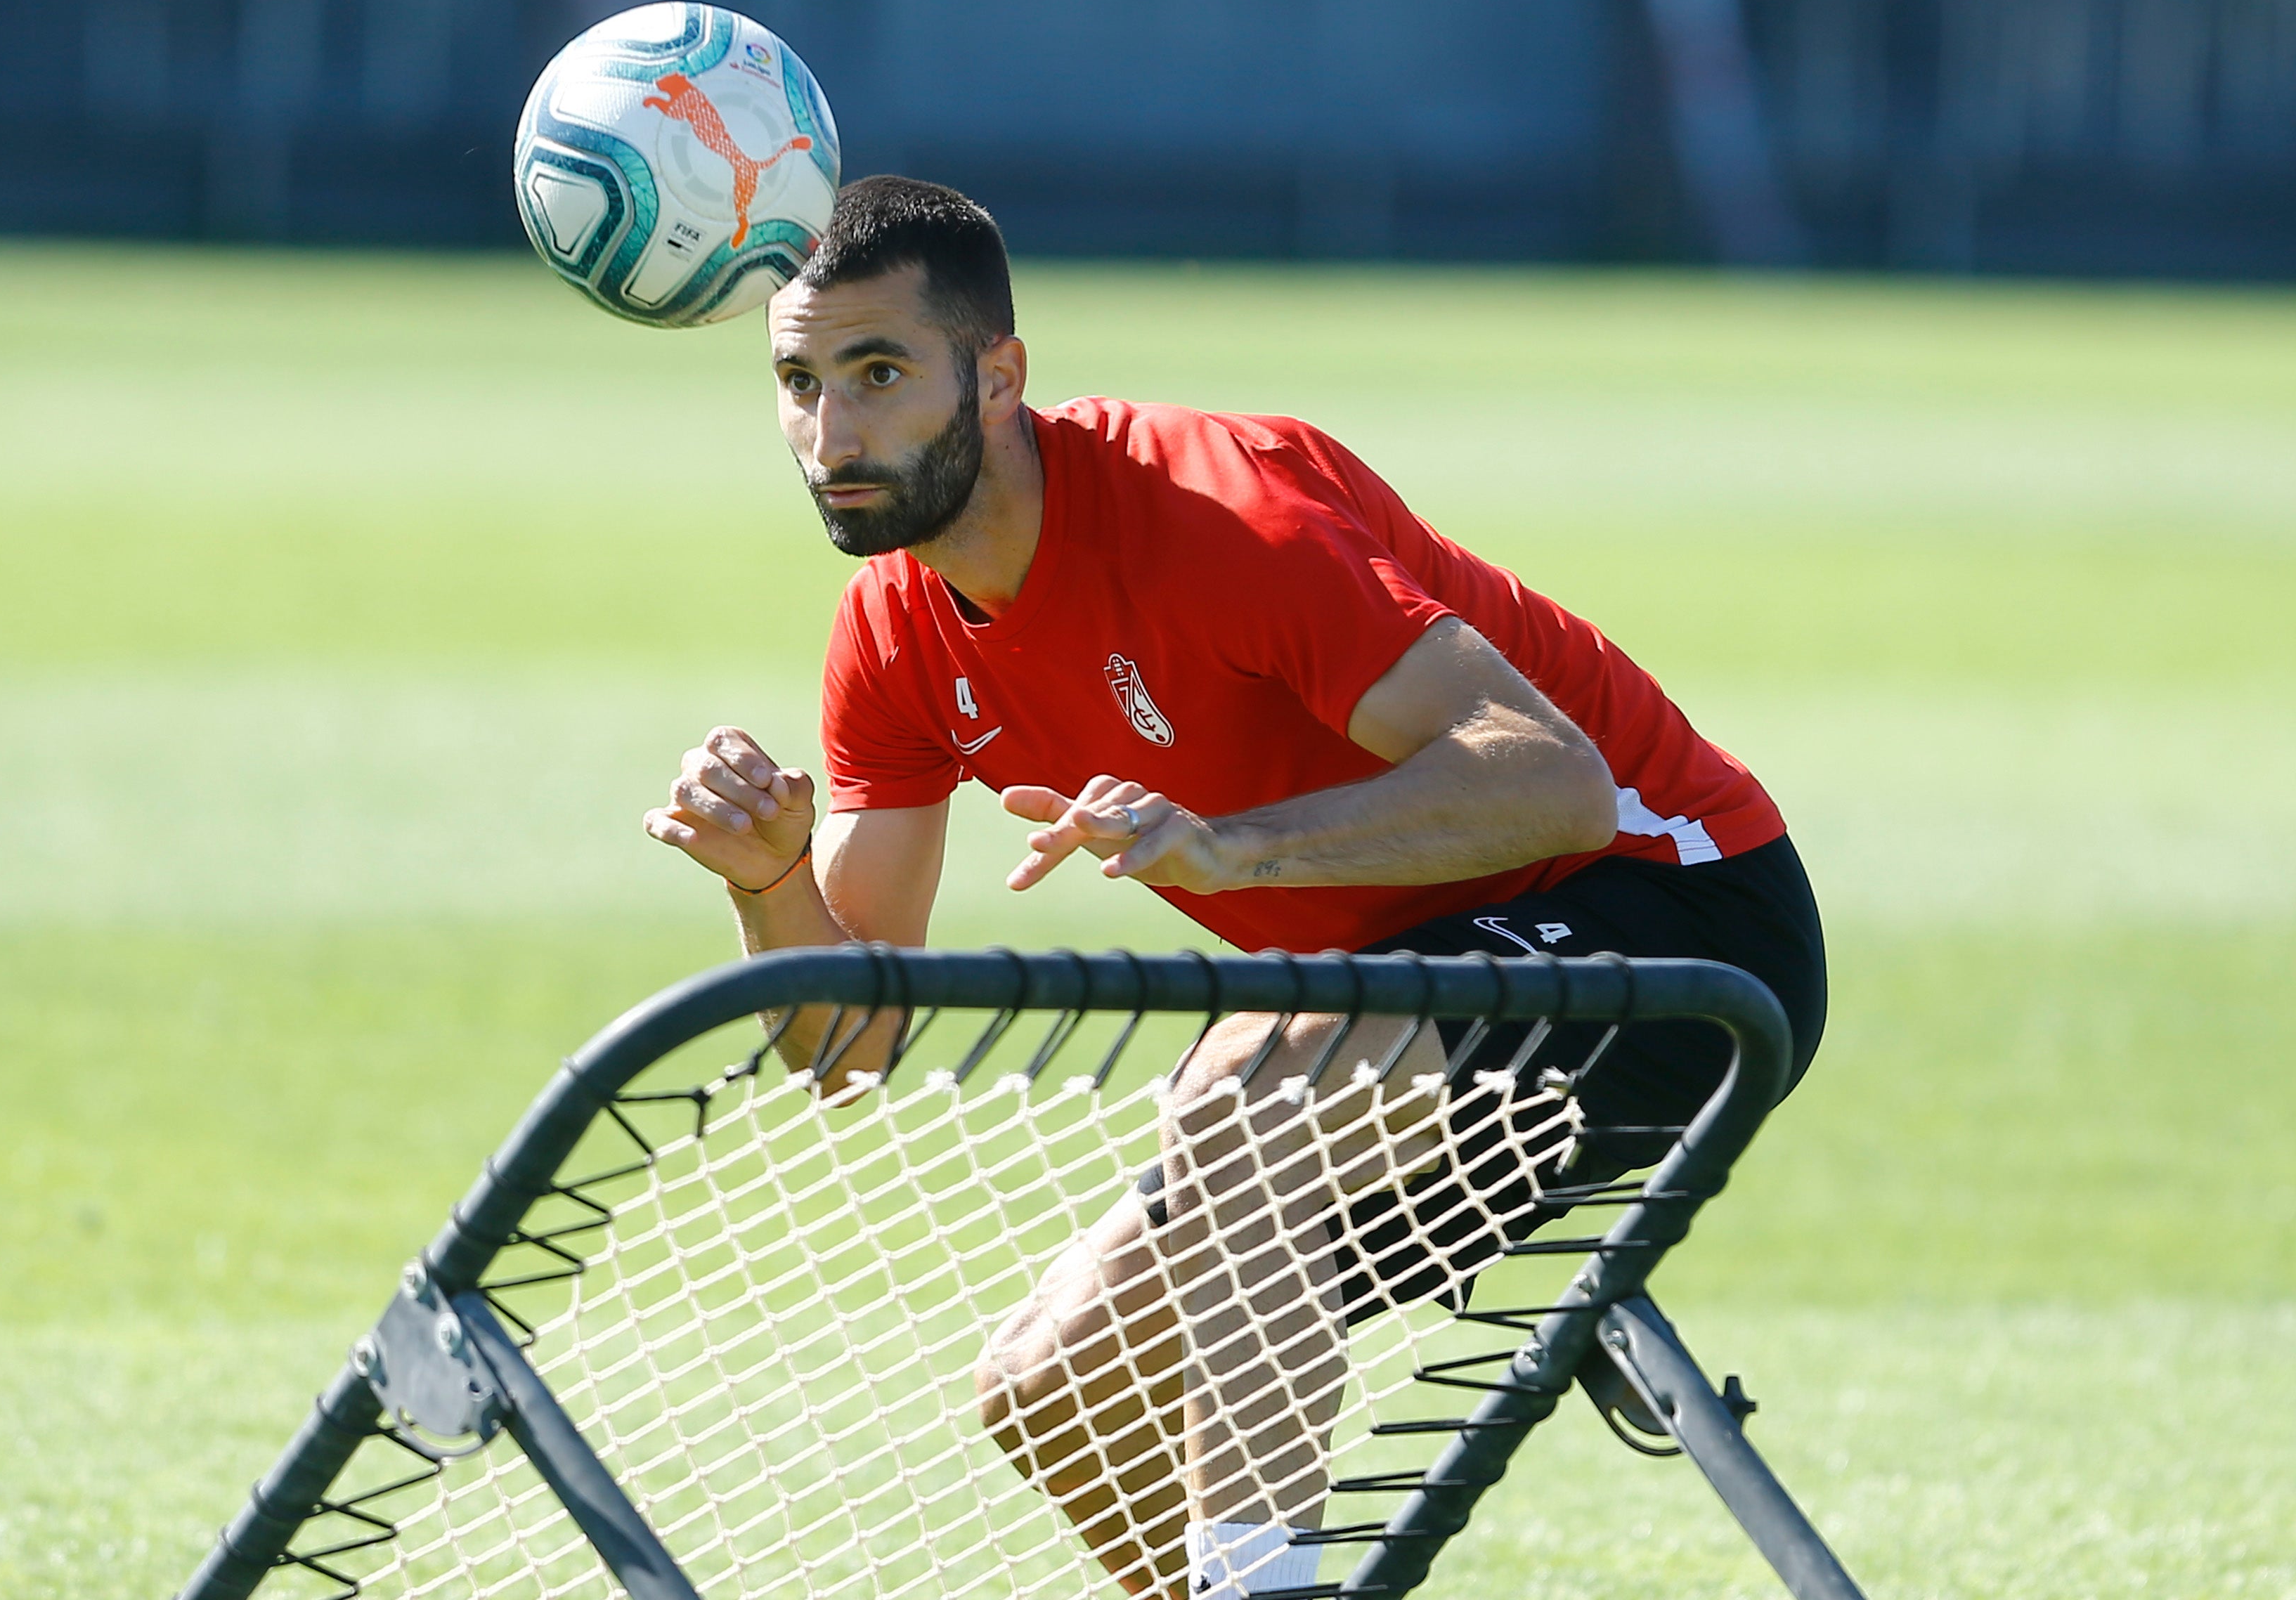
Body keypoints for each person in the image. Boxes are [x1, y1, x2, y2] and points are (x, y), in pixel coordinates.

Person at [642, 176, 1827, 1600]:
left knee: (1240, 1103)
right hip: (1388, 1010)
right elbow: (850, 1043)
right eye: (798, 382)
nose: (832, 434)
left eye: (879, 373)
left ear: (999, 376)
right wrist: (769, 885)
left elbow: (1552, 780)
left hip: (1679, 927)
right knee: (1047, 1385)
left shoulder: (1218, 509)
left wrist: (1240, 846)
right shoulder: (891, 633)